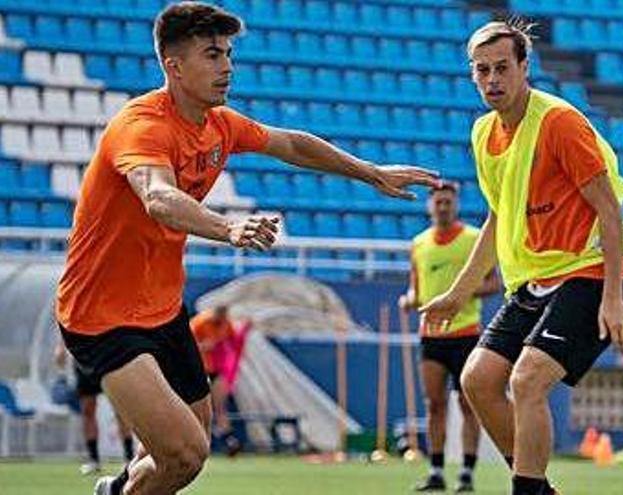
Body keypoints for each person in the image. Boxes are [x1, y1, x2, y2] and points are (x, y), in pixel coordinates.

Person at [54, 3, 439, 494]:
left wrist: (372, 172)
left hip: (162, 309)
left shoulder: (219, 124)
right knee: (184, 455)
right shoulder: (143, 126)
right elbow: (158, 197)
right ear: (173, 66)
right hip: (101, 314)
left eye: (229, 54)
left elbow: (293, 145)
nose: (227, 66)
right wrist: (228, 228)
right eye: (212, 54)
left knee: (185, 446)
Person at [420, 19, 623, 495]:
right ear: (472, 76)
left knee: (528, 379)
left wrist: (614, 297)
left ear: (525, 67)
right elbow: (499, 217)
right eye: (483, 71)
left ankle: (528, 489)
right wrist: (457, 293)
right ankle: (539, 488)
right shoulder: (483, 133)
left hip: (592, 271)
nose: (493, 79)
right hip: (537, 281)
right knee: (478, 380)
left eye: (503, 67)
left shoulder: (559, 122)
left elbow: (608, 207)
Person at [399, 181, 499, 493]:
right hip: (431, 334)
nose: (443, 207)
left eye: (448, 202)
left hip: (466, 332)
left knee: (468, 404)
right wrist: (410, 299)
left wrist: (459, 294)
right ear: (430, 206)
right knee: (434, 404)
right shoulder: (419, 243)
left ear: (456, 205)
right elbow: (416, 287)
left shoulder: (473, 239)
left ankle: (467, 472)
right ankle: (436, 471)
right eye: (438, 202)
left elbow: (493, 283)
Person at [53, 342, 136, 475]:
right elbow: (67, 322)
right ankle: (94, 460)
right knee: (87, 409)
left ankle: (129, 458)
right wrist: (61, 346)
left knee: (120, 408)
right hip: (84, 357)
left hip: (110, 355)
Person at [189, 305, 240, 456]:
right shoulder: (199, 323)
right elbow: (186, 346)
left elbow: (233, 341)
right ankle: (199, 442)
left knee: (220, 406)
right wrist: (203, 346)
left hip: (216, 369)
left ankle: (228, 440)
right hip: (199, 369)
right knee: (199, 408)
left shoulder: (226, 324)